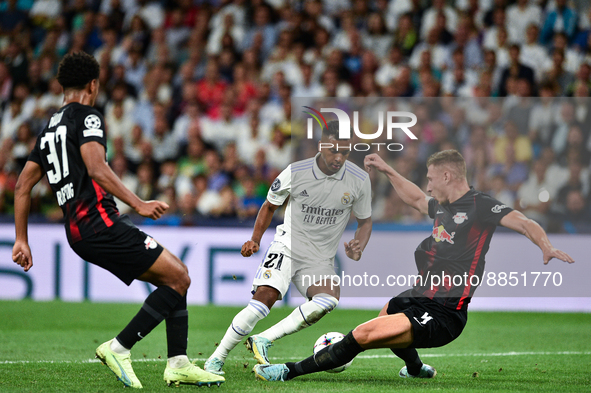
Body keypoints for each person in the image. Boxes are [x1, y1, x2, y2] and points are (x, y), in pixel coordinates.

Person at [253, 150, 574, 382]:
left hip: (445, 312)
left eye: (432, 179)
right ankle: (417, 369)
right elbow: (417, 199)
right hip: (420, 296)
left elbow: (523, 222)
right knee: (387, 315)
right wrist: (387, 170)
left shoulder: (481, 205)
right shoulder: (443, 207)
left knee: (364, 333)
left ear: (448, 176)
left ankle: (287, 371)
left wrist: (545, 246)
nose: (429, 186)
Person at [11, 52, 224, 389]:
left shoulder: (49, 128)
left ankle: (178, 362)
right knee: (180, 277)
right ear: (93, 85)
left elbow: (22, 185)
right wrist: (138, 203)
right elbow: (96, 167)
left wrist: (20, 238)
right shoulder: (88, 116)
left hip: (79, 230)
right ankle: (119, 347)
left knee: (173, 276)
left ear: (62, 85)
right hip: (99, 222)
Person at [204, 120, 373, 375]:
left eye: (345, 152)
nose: (339, 157)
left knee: (328, 299)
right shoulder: (296, 171)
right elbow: (270, 205)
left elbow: (365, 221)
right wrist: (256, 240)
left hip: (319, 257)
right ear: (321, 145)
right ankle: (216, 358)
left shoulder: (358, 180)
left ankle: (264, 339)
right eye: (333, 150)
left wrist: (359, 243)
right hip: (288, 245)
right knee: (263, 301)